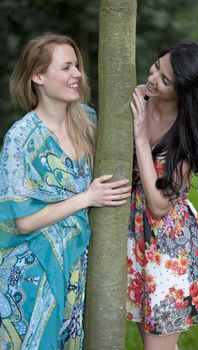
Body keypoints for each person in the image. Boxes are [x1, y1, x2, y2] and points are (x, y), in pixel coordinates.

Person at [0, 34, 131, 350]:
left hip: (77, 267)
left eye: (77, 66)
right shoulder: (21, 138)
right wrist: (87, 198)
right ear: (38, 76)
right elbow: (25, 222)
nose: (77, 75)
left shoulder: (88, 122)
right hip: (31, 273)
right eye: (66, 67)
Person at [126, 42, 198, 350]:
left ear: (185, 91)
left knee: (158, 347)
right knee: (152, 340)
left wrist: (140, 135)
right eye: (156, 66)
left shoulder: (187, 132)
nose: (153, 77)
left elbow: (159, 205)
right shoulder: (140, 98)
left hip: (168, 244)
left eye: (166, 80)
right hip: (131, 233)